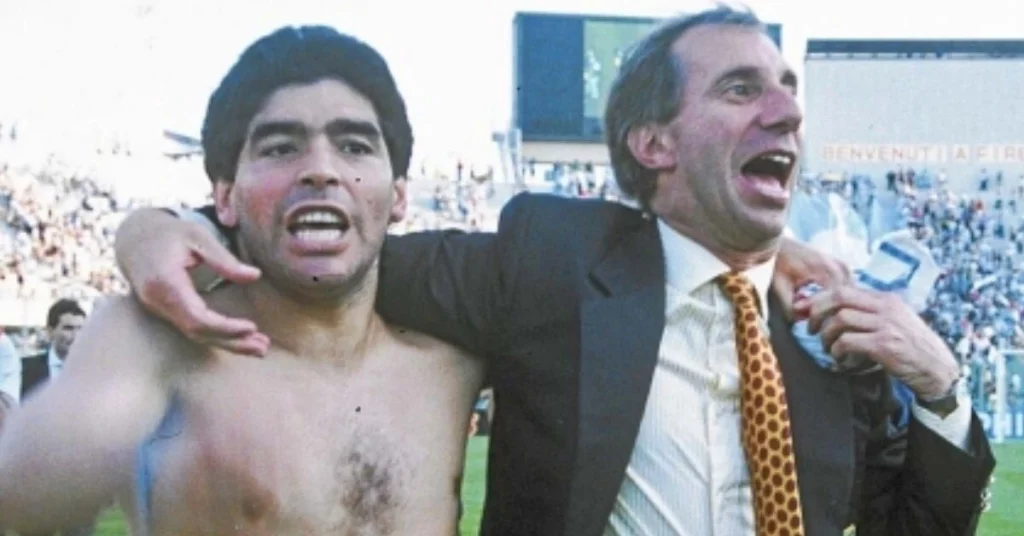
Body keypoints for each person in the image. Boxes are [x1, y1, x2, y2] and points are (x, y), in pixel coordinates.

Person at [113, 7, 994, 536]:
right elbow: (336, 248)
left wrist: (945, 390)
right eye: (741, 89)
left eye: (788, 86)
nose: (788, 109)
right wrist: (169, 224)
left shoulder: (828, 327)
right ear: (652, 144)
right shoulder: (550, 261)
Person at [0, 26, 483, 536]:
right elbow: (25, 496)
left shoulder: (455, 362)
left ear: (400, 195)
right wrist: (129, 336)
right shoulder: (160, 344)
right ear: (224, 197)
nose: (321, 169)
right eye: (280, 148)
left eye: (354, 145)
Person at [20, 299, 88, 400]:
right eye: (68, 328)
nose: (76, 336)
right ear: (50, 331)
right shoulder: (23, 369)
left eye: (81, 329)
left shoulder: (96, 371)